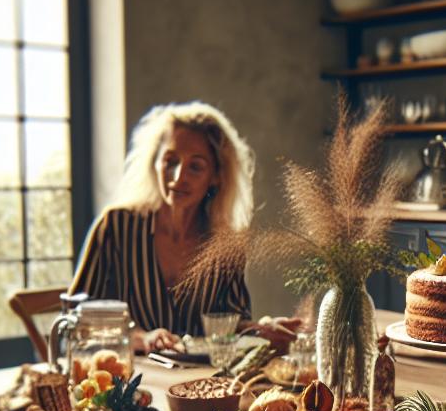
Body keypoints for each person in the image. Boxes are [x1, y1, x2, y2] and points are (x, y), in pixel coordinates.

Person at [68, 101, 303, 353]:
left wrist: (262, 329)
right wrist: (140, 338)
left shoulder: (226, 244)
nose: (178, 177)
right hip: (127, 383)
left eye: (195, 166)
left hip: (200, 385)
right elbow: (75, 320)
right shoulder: (115, 226)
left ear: (216, 176)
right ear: (154, 163)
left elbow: (231, 325)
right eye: (170, 161)